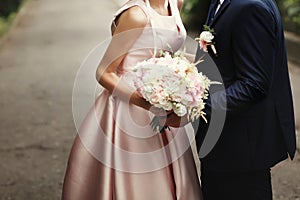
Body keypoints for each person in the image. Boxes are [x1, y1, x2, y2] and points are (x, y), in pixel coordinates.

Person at [61, 0, 203, 199]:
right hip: (129, 111)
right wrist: (149, 104)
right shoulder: (136, 15)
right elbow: (104, 72)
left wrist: (189, 75)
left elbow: (170, 53)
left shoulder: (175, 3)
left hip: (164, 105)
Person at [164, 0, 297, 199]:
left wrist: (195, 109)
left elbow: (253, 85)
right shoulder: (221, 3)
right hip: (223, 146)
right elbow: (224, 60)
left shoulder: (251, 8)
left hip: (240, 149)